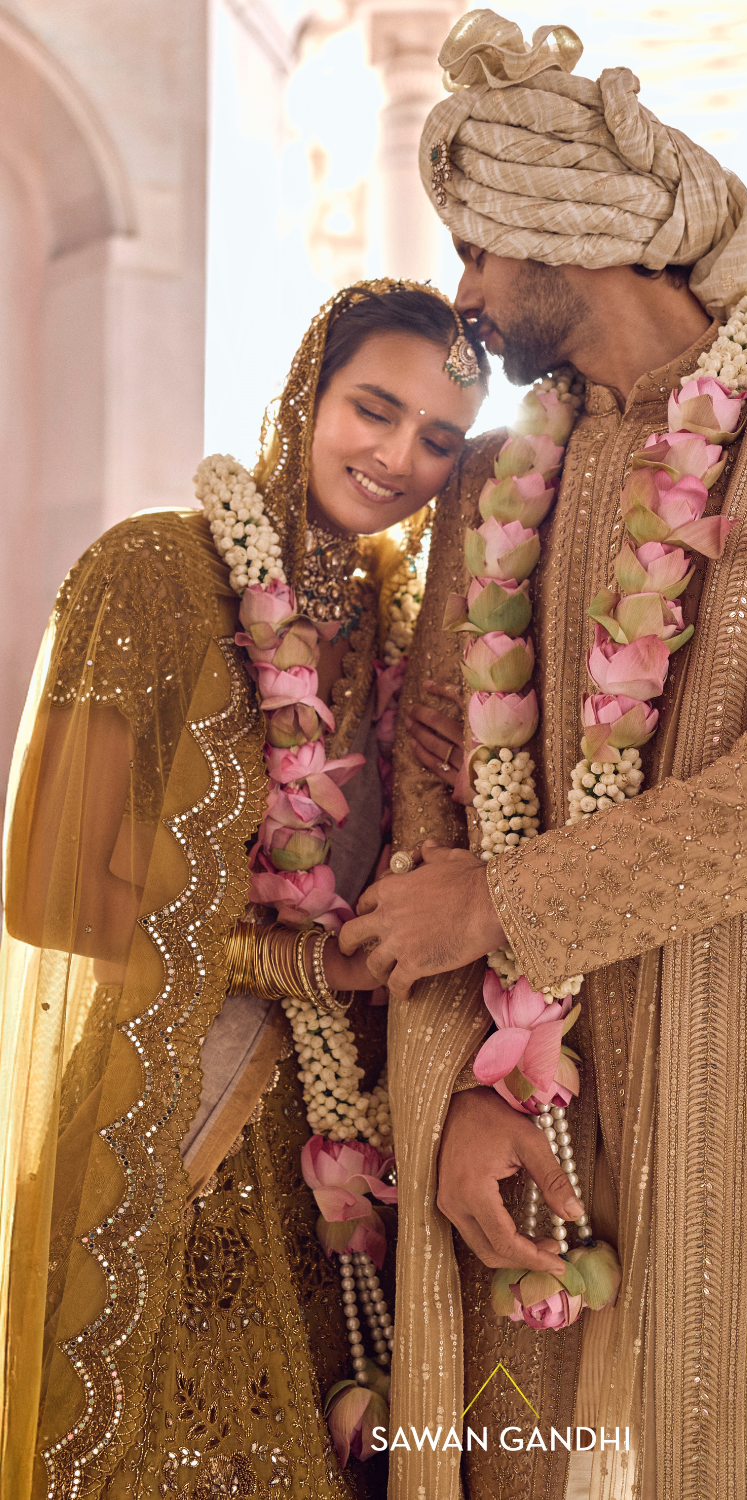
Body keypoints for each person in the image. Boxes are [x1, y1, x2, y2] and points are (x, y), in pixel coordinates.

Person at [338, 15, 747, 1500]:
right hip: (531, 1097)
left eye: (481, 250)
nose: (468, 293)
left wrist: (508, 904)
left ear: (573, 233)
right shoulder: (494, 479)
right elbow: (438, 768)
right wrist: (466, 1092)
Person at [0, 280, 485, 1498]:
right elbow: (46, 893)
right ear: (305, 393)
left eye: (437, 438)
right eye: (374, 408)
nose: (396, 457)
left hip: (346, 1156)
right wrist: (277, 962)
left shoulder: (411, 632)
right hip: (173, 1113)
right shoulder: (153, 573)